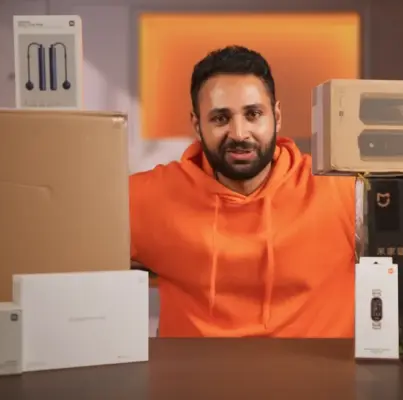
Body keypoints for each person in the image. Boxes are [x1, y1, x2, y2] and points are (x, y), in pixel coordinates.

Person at [130, 45, 356, 338]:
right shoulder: (149, 197)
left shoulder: (341, 189)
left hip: (317, 368)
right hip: (194, 369)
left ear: (276, 116)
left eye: (253, 114)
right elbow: (78, 250)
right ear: (197, 125)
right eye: (220, 118)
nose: (239, 133)